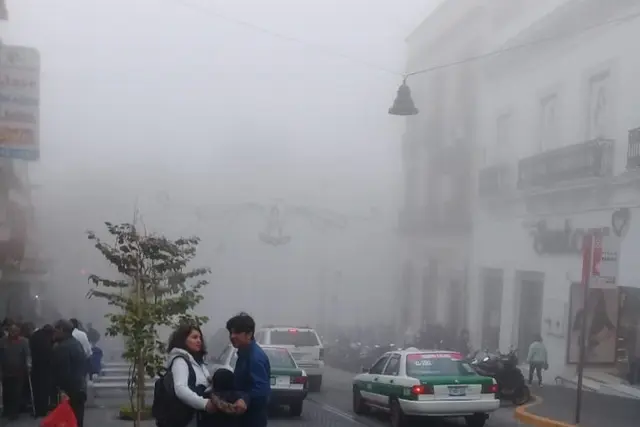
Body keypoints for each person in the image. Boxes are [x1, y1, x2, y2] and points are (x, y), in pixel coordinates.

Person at [166, 323, 216, 427]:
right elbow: (180, 388)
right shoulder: (180, 361)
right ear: (183, 340)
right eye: (194, 337)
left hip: (196, 416)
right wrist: (204, 404)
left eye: (200, 338)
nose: (199, 341)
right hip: (187, 417)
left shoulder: (197, 361)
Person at [226, 312, 271, 427]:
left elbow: (261, 388)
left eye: (237, 332)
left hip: (252, 418)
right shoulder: (244, 353)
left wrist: (244, 400)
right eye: (231, 332)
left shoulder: (255, 357)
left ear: (249, 334)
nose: (232, 336)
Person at [52, 319, 88, 427]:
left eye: (56, 330)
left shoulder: (63, 348)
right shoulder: (76, 344)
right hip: (80, 387)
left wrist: (62, 390)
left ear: (62, 330)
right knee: (77, 420)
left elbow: (63, 372)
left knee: (68, 421)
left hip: (69, 391)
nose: (54, 333)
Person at [0, 323, 30, 420]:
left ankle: (14, 412)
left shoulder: (24, 342)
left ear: (19, 332)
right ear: (8, 331)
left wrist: (29, 365)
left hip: (19, 372)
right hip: (5, 371)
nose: (13, 333)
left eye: (15, 331)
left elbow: (28, 355)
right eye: (11, 331)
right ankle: (6, 411)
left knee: (16, 392)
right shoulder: (2, 341)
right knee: (6, 392)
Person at [29, 324, 55, 417]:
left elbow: (30, 349)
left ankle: (37, 409)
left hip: (36, 366)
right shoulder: (48, 339)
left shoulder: (35, 336)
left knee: (36, 390)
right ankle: (43, 410)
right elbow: (51, 352)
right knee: (44, 390)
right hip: (46, 367)